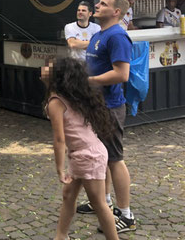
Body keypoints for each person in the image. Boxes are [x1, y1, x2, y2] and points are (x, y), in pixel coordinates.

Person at [41, 57, 119, 240]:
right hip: (84, 154)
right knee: (69, 195)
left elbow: (59, 140)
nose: (42, 68)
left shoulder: (56, 102)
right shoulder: (69, 96)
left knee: (98, 203)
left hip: (87, 156)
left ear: (57, 76)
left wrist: (60, 169)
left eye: (47, 67)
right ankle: (61, 236)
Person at [81, 0, 136, 233]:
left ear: (116, 12)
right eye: (98, 2)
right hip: (96, 106)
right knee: (101, 158)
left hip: (111, 108)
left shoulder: (117, 36)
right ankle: (103, 202)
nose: (96, 5)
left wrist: (90, 80)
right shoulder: (98, 35)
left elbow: (122, 73)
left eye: (103, 4)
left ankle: (126, 215)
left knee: (114, 159)